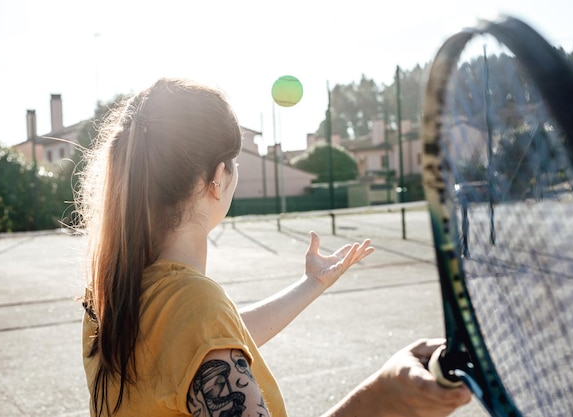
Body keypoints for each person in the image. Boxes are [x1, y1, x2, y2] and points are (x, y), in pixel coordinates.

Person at [78, 77, 471, 417]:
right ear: (217, 178)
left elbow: (203, 339)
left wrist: (310, 284)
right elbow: (200, 332)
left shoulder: (110, 290)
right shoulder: (192, 306)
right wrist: (387, 395)